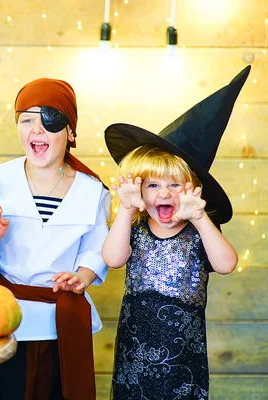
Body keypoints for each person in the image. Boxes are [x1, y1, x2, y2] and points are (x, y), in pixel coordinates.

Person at [102, 66, 249, 399]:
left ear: (193, 191)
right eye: (153, 185)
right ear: (139, 191)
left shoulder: (200, 231)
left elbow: (226, 263)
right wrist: (125, 210)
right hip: (133, 363)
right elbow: (112, 258)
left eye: (174, 185)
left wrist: (199, 218)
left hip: (185, 365)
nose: (164, 194)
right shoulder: (136, 227)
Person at [0, 78, 111, 400]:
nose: (36, 130)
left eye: (48, 120)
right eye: (27, 120)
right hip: (5, 315)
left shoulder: (93, 191)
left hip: (60, 319)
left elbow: (96, 249)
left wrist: (81, 277)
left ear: (70, 131)